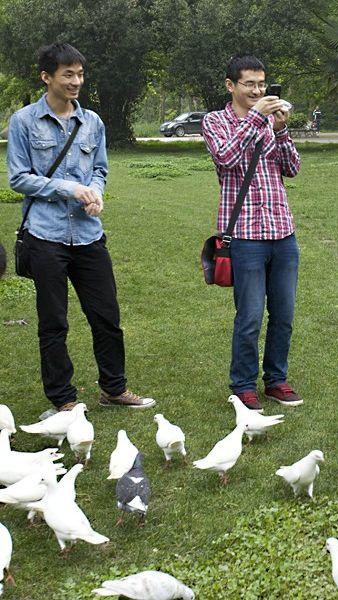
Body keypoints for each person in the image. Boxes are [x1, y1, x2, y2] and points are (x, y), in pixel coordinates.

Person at [6, 42, 155, 415]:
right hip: (45, 236)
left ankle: (114, 389)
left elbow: (100, 170)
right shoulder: (24, 121)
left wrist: (96, 195)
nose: (76, 81)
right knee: (53, 323)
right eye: (68, 74)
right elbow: (19, 178)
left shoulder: (93, 122)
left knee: (107, 316)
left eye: (80, 74)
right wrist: (70, 189)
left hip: (88, 234)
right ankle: (63, 400)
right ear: (47, 77)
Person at [201, 55, 304, 411]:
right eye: (250, 85)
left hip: (282, 232)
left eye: (262, 85)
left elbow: (292, 168)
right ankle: (243, 384)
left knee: (284, 314)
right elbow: (226, 157)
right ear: (231, 86)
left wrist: (280, 131)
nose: (258, 91)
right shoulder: (215, 121)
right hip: (244, 235)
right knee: (249, 316)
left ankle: (276, 380)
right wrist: (258, 117)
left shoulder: (269, 123)